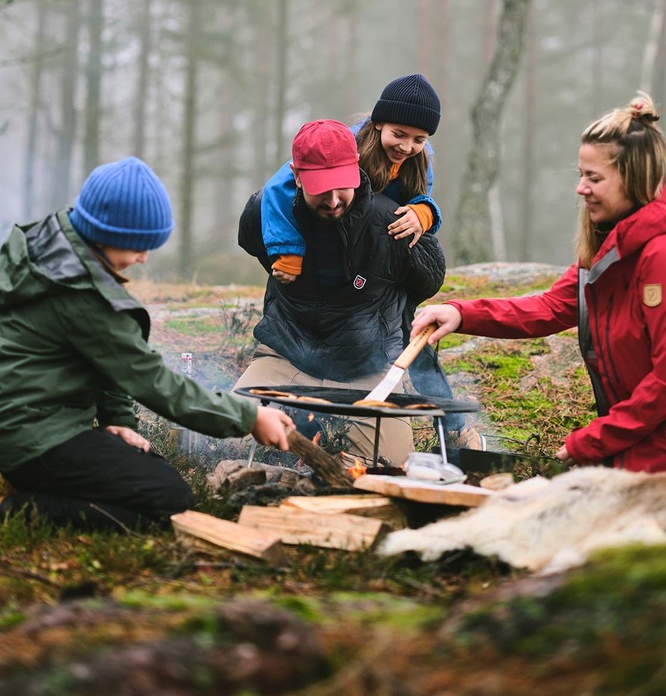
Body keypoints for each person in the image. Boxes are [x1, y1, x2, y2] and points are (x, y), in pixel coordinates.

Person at [411, 92, 666, 478]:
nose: (581, 188)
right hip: (637, 454)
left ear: (634, 178)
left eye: (594, 178)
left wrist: (594, 439)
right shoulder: (610, 248)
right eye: (580, 175)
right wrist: (460, 312)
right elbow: (550, 308)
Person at [0, 156, 294, 532]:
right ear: (104, 232)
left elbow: (101, 358)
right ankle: (23, 511)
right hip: (35, 439)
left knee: (151, 470)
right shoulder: (80, 294)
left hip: (24, 423)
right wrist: (249, 417)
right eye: (137, 246)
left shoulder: (52, 243)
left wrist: (117, 422)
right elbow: (154, 381)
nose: (143, 257)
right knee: (168, 502)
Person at [259, 74, 485, 450]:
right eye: (399, 134)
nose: (408, 146)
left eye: (419, 138)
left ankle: (454, 427)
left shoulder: (422, 160)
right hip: (340, 258)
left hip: (385, 261)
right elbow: (276, 191)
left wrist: (424, 214)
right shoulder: (343, 147)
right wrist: (288, 248)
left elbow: (419, 202)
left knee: (409, 333)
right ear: (378, 122)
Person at [236, 119, 446, 466]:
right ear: (297, 176)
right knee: (223, 438)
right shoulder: (265, 214)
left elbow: (429, 278)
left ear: (357, 169)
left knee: (390, 466)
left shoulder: (390, 223)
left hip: (367, 367)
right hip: (286, 354)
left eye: (342, 186)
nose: (333, 201)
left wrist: (383, 313)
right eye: (321, 188)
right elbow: (254, 243)